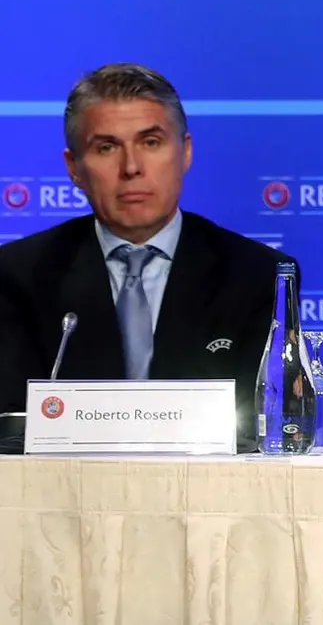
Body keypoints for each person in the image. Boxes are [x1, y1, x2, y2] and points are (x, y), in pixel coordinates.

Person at [0, 65, 283, 429]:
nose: (131, 167)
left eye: (150, 143)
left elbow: (265, 428)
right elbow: (8, 426)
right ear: (74, 168)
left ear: (185, 152)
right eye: (106, 147)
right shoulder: (19, 276)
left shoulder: (257, 275)